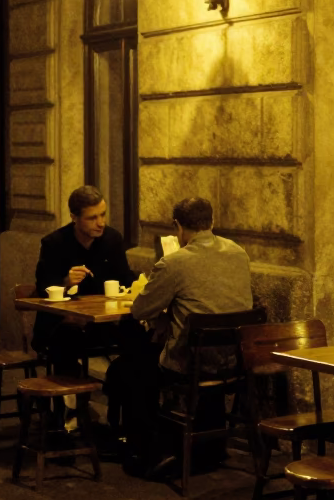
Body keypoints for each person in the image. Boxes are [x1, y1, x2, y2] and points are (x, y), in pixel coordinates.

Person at [105, 196, 252, 477]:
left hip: (190, 366)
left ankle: (148, 450)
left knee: (128, 369)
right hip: (234, 362)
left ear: (178, 226)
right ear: (212, 221)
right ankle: (210, 447)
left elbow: (140, 310)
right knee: (146, 362)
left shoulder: (175, 262)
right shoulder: (238, 253)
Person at [31, 185, 135, 374]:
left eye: (103, 215)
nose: (101, 223)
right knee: (68, 336)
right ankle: (72, 396)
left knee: (139, 334)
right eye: (92, 218)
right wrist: (66, 282)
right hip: (61, 325)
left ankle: (122, 391)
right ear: (74, 217)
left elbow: (126, 279)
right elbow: (43, 288)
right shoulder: (54, 243)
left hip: (102, 324)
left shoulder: (112, 239)